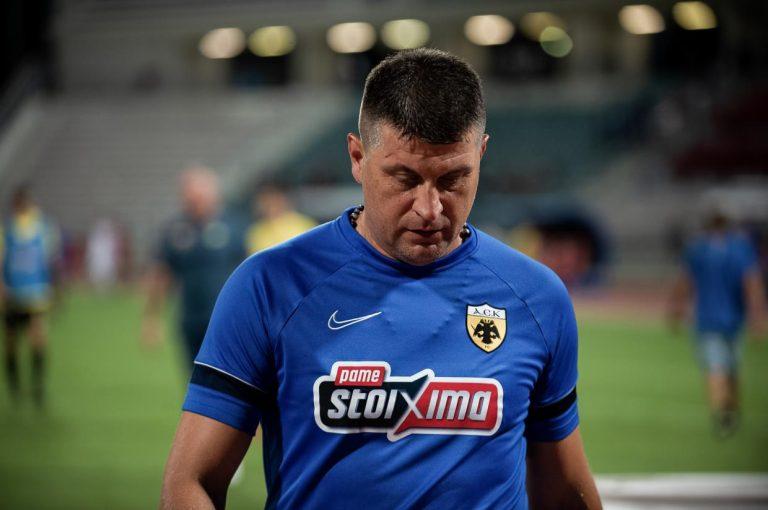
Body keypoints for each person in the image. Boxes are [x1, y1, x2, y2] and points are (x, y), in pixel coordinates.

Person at [161, 49, 601, 509]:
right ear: (357, 156)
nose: (429, 209)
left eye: (453, 179)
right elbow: (190, 483)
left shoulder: (537, 297)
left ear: (482, 154)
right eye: (404, 178)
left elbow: (565, 492)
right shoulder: (270, 286)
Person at [668, 211, 766, 437]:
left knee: (714, 367)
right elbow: (751, 283)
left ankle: (721, 413)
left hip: (707, 319)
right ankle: (731, 408)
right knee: (733, 367)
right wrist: (757, 316)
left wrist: (676, 309)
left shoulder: (698, 249)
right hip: (735, 319)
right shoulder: (740, 248)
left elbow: (685, 282)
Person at [142, 166, 246, 371]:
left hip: (226, 319)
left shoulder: (234, 227)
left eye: (200, 197)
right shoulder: (175, 230)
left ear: (213, 196)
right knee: (195, 378)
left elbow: (250, 273)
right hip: (190, 319)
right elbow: (161, 274)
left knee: (229, 379)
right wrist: (151, 319)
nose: (195, 202)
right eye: (190, 197)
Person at [1, 186, 59, 406]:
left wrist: (54, 290)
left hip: (36, 293)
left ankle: (38, 388)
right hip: (13, 294)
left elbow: (50, 262)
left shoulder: (42, 228)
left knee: (37, 338)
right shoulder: (7, 230)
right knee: (11, 342)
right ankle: (15, 387)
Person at [246, 184, 316, 255]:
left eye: (273, 200)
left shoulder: (303, 223)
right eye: (265, 202)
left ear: (282, 200)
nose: (270, 205)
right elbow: (259, 259)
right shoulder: (255, 232)